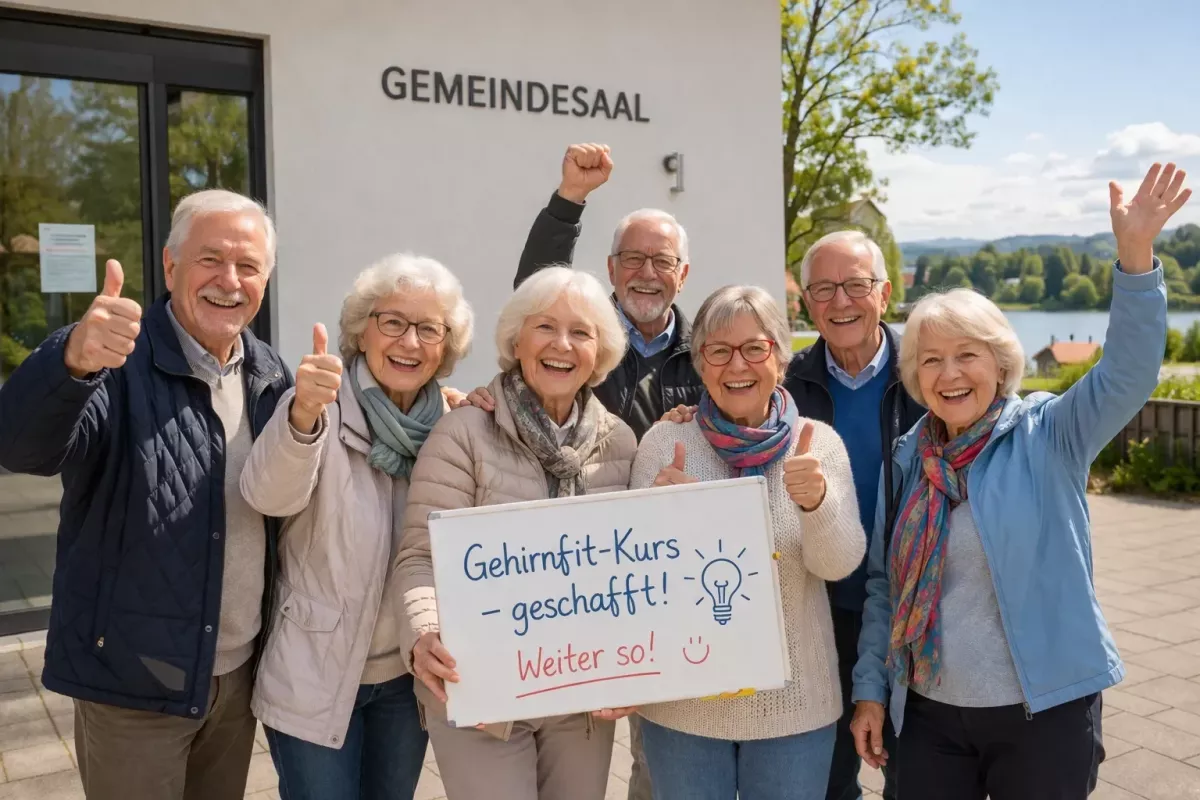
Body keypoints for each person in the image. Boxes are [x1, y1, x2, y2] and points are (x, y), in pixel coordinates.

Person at [850, 162, 1189, 800]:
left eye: (966, 355)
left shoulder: (1050, 433)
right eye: (931, 360)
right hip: (926, 713)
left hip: (1043, 713)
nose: (949, 373)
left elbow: (1128, 373)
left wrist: (1136, 255)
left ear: (1001, 361)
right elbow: (882, 587)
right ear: (916, 378)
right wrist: (871, 691)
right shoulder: (908, 458)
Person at [0, 189, 290, 799]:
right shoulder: (113, 359)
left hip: (234, 679)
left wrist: (441, 406)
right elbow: (21, 448)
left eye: (248, 266)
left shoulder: (271, 375)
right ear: (170, 266)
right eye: (210, 259)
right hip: (133, 684)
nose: (229, 281)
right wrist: (69, 363)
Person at [466, 142, 703, 798]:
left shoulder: (709, 352)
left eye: (661, 261)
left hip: (665, 583)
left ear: (683, 273)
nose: (646, 273)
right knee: (577, 750)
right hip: (575, 582)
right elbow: (536, 290)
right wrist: (570, 199)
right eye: (632, 259)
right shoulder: (584, 337)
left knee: (664, 764)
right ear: (610, 268)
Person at [665, 230, 924, 800]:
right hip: (816, 616)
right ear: (806, 302)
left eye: (855, 285)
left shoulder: (925, 374)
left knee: (917, 771)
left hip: (909, 606)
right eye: (823, 289)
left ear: (884, 293)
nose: (840, 301)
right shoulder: (794, 381)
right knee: (832, 784)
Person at [394, 266, 638, 799]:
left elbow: (639, 575)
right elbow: (418, 557)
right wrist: (423, 632)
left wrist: (635, 671)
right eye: (545, 327)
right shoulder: (463, 432)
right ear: (516, 340)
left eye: (582, 332)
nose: (562, 344)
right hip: (481, 691)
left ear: (600, 354)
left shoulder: (620, 442)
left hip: (581, 697)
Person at [239, 254, 474, 799]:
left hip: (407, 681)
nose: (409, 342)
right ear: (362, 332)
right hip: (314, 674)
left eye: (428, 329)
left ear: (446, 348)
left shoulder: (453, 427)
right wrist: (301, 419)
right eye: (392, 322)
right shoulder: (319, 404)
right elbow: (267, 496)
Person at [630, 285, 866, 800]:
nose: (737, 364)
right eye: (718, 350)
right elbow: (641, 584)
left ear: (779, 359)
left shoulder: (818, 444)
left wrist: (816, 503)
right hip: (684, 706)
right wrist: (656, 522)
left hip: (793, 706)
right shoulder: (663, 445)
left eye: (754, 348)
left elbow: (840, 564)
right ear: (700, 364)